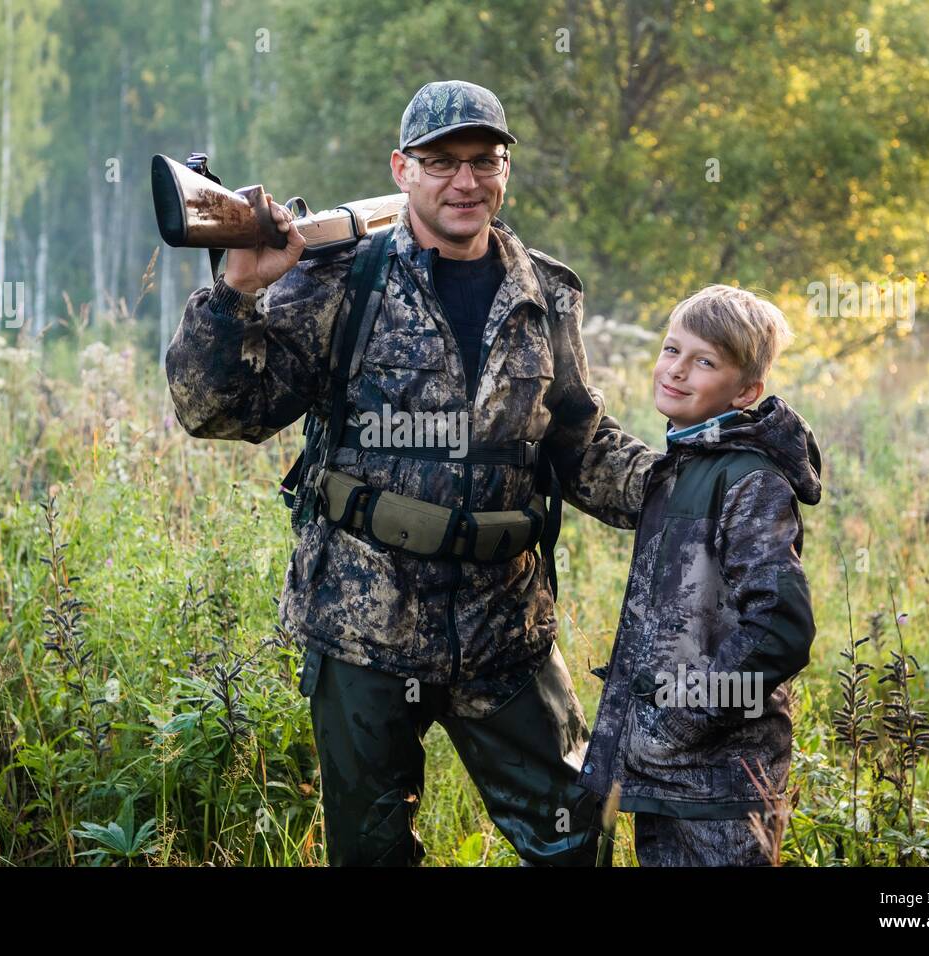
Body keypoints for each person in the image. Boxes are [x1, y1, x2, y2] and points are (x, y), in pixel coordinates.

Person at [165, 79, 661, 865]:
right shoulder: (340, 281)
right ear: (403, 169)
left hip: (505, 628)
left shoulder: (546, 292)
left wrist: (681, 489)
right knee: (372, 854)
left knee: (576, 836)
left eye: (484, 160)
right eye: (442, 162)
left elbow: (579, 442)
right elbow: (219, 411)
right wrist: (235, 294)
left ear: (505, 170)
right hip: (365, 627)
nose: (466, 181)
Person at [578, 284, 821, 866]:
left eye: (704, 361)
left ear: (746, 392)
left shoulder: (749, 481)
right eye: (671, 350)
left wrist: (681, 719)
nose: (677, 371)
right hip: (666, 779)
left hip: (722, 786)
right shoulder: (685, 466)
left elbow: (779, 629)